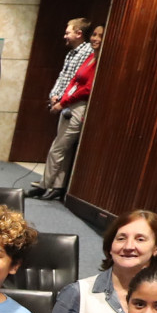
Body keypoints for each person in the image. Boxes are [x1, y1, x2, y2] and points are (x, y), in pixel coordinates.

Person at [29, 18, 94, 200]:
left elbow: (82, 86)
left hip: (73, 105)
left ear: (79, 33)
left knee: (58, 148)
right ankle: (57, 186)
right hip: (65, 103)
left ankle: (44, 185)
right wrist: (54, 95)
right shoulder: (71, 53)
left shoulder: (88, 54)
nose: (65, 36)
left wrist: (62, 101)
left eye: (68, 32)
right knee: (63, 148)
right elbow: (64, 77)